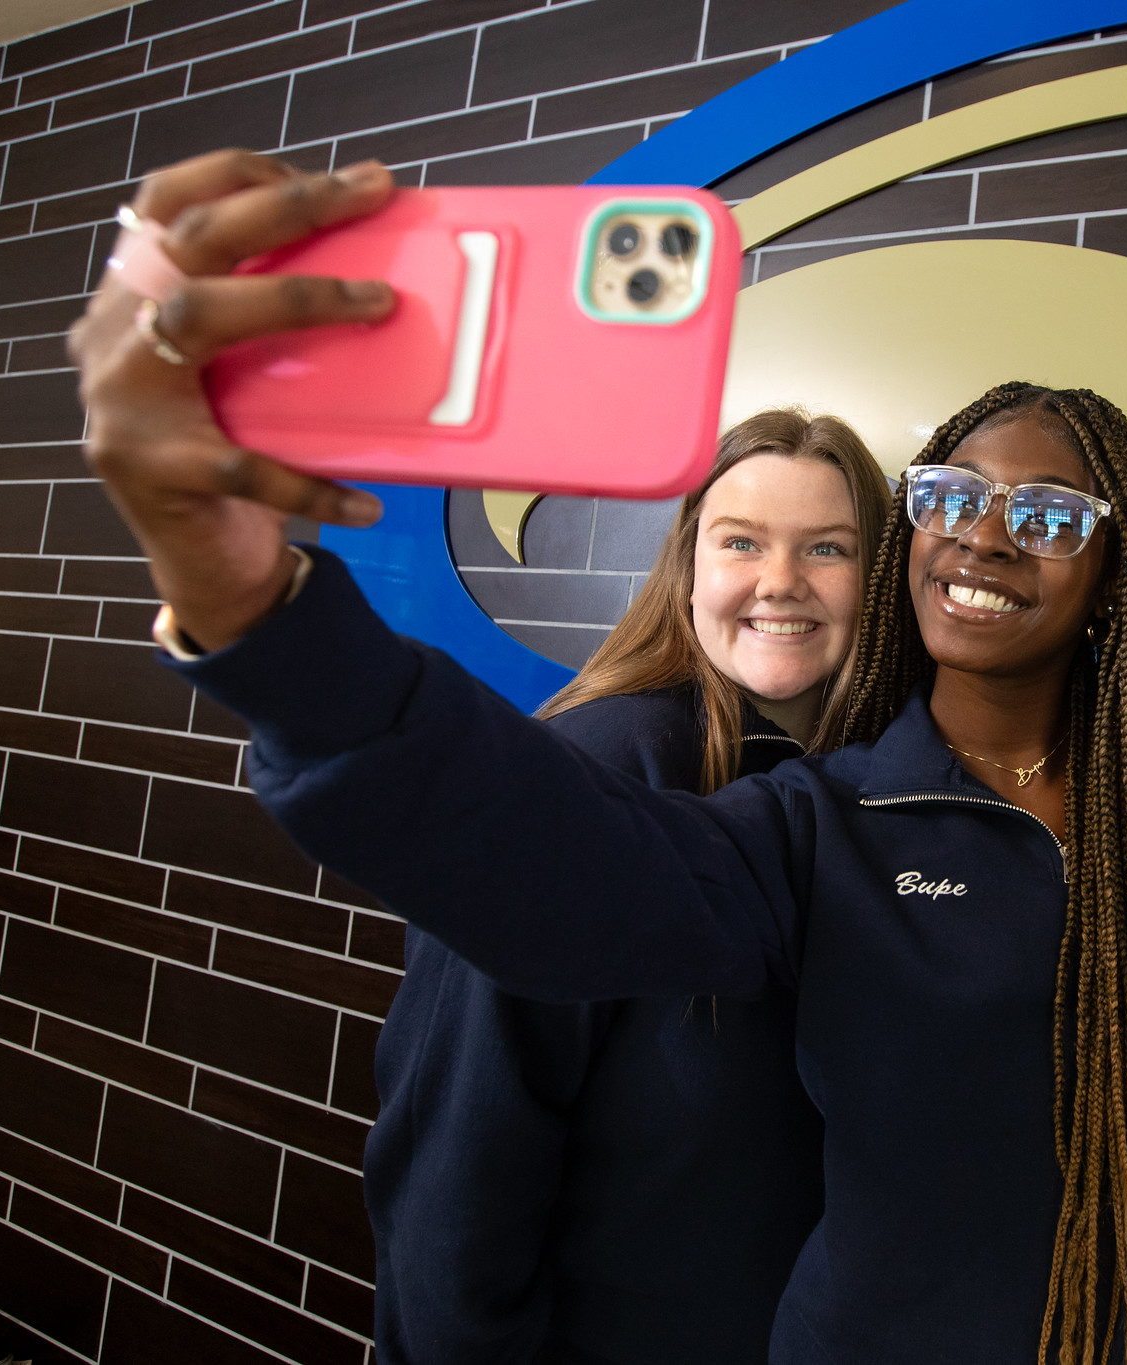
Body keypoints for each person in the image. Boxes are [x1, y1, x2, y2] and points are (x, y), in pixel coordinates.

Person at [71, 152, 1127, 1365]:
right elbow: (533, 862)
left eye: (1045, 513)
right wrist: (246, 591)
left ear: (1120, 572)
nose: (983, 535)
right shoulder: (821, 826)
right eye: (948, 496)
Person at [372, 409, 889, 1361]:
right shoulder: (594, 767)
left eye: (828, 547)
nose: (781, 581)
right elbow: (458, 1146)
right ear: (690, 565)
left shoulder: (876, 788)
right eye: (742, 542)